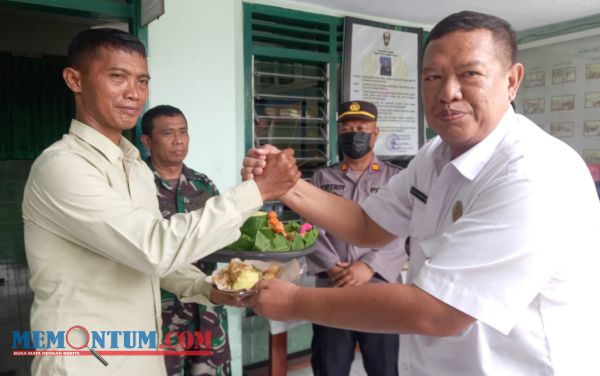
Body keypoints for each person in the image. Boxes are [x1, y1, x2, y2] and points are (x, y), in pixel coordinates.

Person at [241, 11, 600, 375]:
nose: (447, 93)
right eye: (433, 77)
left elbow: (439, 312)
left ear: (512, 81)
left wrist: (297, 302)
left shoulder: (533, 173)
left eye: (470, 74)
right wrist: (286, 186)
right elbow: (367, 224)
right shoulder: (435, 156)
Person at [21, 28, 299, 376]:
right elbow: (154, 248)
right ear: (74, 80)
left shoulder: (134, 167)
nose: (133, 93)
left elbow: (151, 257)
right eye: (117, 77)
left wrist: (206, 288)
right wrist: (257, 191)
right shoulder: (62, 167)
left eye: (142, 80)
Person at [307, 100, 405, 376]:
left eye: (362, 128)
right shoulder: (322, 178)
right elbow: (309, 228)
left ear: (375, 133)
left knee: (383, 366)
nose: (355, 134)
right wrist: (330, 265)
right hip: (333, 286)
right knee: (329, 365)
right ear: (339, 134)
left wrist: (369, 265)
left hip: (379, 287)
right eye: (348, 129)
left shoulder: (396, 178)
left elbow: (402, 228)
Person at [141, 105, 232, 375]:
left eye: (183, 132)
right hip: (160, 316)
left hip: (207, 311)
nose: (178, 140)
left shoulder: (204, 185)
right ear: (147, 141)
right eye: (168, 133)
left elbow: (223, 235)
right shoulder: (137, 185)